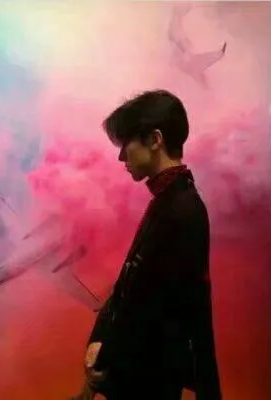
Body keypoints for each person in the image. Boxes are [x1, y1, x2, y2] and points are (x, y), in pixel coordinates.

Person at [71, 90, 222, 399]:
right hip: (136, 376)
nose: (121, 157)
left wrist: (102, 353)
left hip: (147, 383)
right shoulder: (170, 201)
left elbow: (160, 307)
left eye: (126, 143)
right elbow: (130, 289)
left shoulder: (181, 209)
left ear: (155, 140)